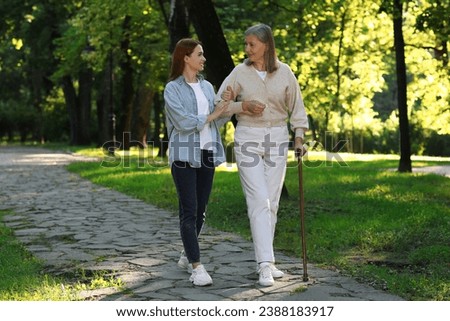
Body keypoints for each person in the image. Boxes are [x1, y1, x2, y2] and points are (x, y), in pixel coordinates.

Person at [216, 23, 309, 287]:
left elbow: (298, 110)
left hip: (278, 139)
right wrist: (241, 105)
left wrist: (299, 138)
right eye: (245, 44)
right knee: (258, 200)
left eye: (251, 44)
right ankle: (265, 265)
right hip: (248, 138)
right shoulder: (239, 73)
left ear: (266, 45)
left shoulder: (286, 73)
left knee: (273, 202)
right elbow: (219, 105)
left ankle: (267, 260)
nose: (246, 49)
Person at [163, 38, 229, 286]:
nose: (203, 59)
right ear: (186, 57)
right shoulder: (172, 89)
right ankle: (197, 267)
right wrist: (213, 114)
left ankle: (186, 254)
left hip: (207, 152)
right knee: (189, 211)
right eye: (199, 54)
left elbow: (216, 122)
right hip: (183, 156)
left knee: (200, 212)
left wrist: (225, 106)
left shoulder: (208, 87)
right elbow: (182, 122)